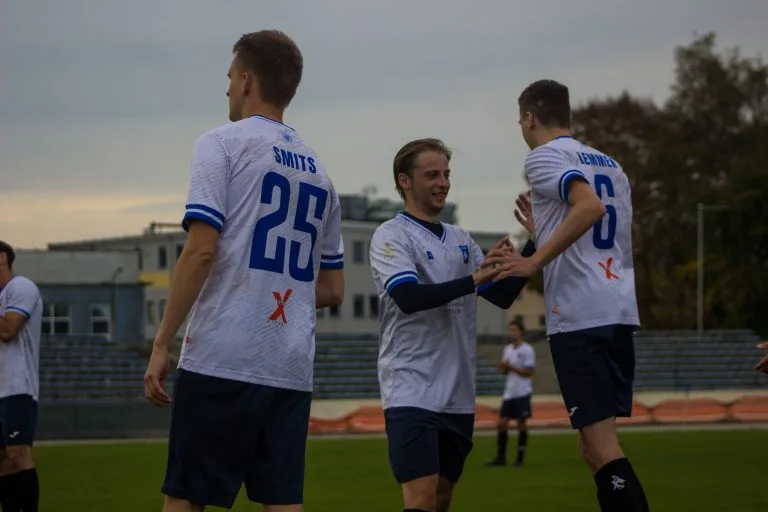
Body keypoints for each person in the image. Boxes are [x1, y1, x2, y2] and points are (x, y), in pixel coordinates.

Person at [143, 30, 345, 512]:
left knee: (186, 499)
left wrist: (160, 342)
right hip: (291, 361)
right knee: (281, 503)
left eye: (231, 77)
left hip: (225, 353)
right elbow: (334, 289)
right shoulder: (321, 172)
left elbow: (200, 253)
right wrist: (277, 291)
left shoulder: (221, 144)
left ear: (248, 79)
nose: (229, 88)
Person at [489, 79, 649, 511]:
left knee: (602, 449)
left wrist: (534, 259)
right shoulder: (612, 164)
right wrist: (545, 233)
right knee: (592, 446)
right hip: (616, 307)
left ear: (529, 117)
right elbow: (600, 232)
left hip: (580, 315)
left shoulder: (543, 156)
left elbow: (589, 207)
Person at [368, 138, 535, 512]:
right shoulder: (391, 235)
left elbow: (503, 295)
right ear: (405, 181)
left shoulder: (460, 239)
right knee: (421, 497)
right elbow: (409, 298)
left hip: (458, 391)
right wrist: (474, 279)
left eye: (446, 174)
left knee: (442, 497)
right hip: (411, 386)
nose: (443, 182)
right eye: (432, 175)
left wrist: (534, 243)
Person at [0, 241, 43, 512]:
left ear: (2, 257)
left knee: (18, 455)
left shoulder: (21, 287)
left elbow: (8, 330)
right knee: (2, 461)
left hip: (17, 386)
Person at [486, 318, 535, 467]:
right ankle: (501, 457)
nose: (512, 333)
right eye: (510, 330)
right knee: (501, 423)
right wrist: (503, 367)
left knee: (521, 424)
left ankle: (519, 458)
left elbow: (529, 372)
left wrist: (512, 367)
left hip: (522, 392)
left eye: (515, 330)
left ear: (521, 332)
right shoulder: (507, 349)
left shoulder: (527, 350)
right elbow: (504, 371)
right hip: (510, 392)